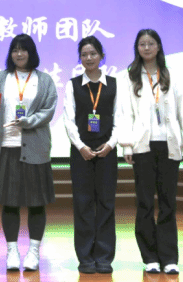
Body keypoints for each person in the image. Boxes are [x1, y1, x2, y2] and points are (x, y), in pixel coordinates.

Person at [119, 29, 183, 275]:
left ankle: (169, 258)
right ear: (137, 48)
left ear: (159, 46)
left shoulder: (171, 74)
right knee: (144, 203)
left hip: (168, 145)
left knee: (167, 202)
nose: (146, 48)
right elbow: (125, 114)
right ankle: (150, 257)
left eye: (150, 43)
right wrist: (127, 144)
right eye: (142, 44)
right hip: (142, 146)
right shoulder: (130, 77)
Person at [0, 34, 57, 272]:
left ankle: (34, 251)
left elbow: (48, 110)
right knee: (10, 204)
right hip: (7, 147)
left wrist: (29, 121)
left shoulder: (44, 80)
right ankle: (12, 251)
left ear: (31, 53)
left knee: (37, 204)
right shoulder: (0, 78)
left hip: (35, 148)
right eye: (15, 50)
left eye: (23, 50)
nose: (19, 54)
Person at [63, 35, 121, 274]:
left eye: (93, 54)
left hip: (107, 151)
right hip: (81, 153)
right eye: (84, 54)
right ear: (80, 58)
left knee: (106, 203)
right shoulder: (73, 84)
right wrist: (80, 147)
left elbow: (120, 118)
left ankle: (104, 257)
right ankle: (85, 257)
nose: (89, 58)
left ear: (101, 56)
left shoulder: (114, 84)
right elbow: (68, 119)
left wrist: (111, 144)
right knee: (83, 204)